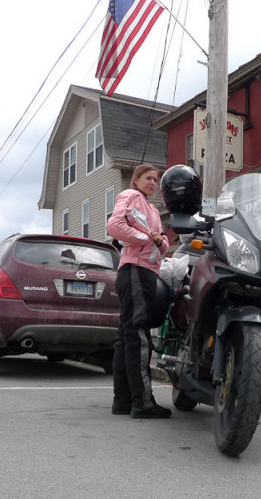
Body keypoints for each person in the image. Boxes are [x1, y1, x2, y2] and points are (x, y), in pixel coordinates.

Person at [106, 163, 172, 419]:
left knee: (127, 335)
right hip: (135, 270)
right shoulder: (130, 196)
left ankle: (122, 400)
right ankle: (142, 403)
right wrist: (147, 239)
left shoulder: (153, 209)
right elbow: (114, 226)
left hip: (145, 272)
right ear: (135, 180)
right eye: (148, 178)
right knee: (138, 333)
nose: (153, 183)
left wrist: (159, 240)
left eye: (156, 179)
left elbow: (163, 245)